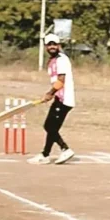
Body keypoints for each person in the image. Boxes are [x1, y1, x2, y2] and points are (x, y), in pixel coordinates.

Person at [29, 34, 76, 165]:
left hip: (64, 99)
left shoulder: (61, 59)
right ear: (46, 46)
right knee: (51, 127)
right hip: (59, 97)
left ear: (59, 45)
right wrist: (52, 94)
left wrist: (50, 93)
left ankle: (65, 149)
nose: (52, 47)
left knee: (49, 127)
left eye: (54, 44)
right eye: (49, 45)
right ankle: (45, 154)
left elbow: (61, 81)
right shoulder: (53, 60)